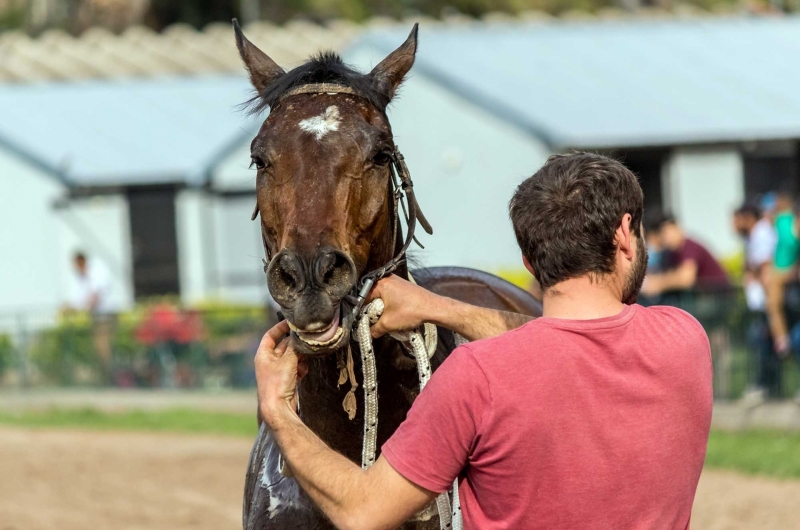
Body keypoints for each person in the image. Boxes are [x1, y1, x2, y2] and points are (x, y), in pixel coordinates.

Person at [253, 153, 712, 529]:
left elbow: (362, 510)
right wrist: (437, 308)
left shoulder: (477, 376)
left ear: (530, 263)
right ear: (625, 237)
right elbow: (564, 343)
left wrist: (278, 407)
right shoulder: (685, 339)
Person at [733, 202, 779, 402]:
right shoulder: (752, 237)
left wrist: (752, 272)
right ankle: (768, 386)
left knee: (768, 342)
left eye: (736, 219)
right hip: (761, 303)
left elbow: (765, 266)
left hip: (769, 301)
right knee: (761, 342)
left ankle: (768, 386)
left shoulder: (762, 234)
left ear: (747, 218)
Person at [641, 210, 729, 297]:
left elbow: (686, 278)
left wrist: (659, 283)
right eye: (663, 233)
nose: (667, 237)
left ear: (676, 227)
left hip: (718, 297)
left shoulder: (690, 246)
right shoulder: (671, 254)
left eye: (668, 231)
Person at [66, 251, 116, 381]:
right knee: (98, 350)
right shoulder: (80, 278)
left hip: (105, 317)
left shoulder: (97, 272)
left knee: (104, 349)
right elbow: (78, 300)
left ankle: (110, 378)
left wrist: (84, 307)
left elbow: (95, 297)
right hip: (96, 318)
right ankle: (105, 376)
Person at [764, 192, 799, 355]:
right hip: (778, 270)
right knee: (772, 303)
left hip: (789, 271)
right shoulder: (783, 220)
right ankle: (781, 338)